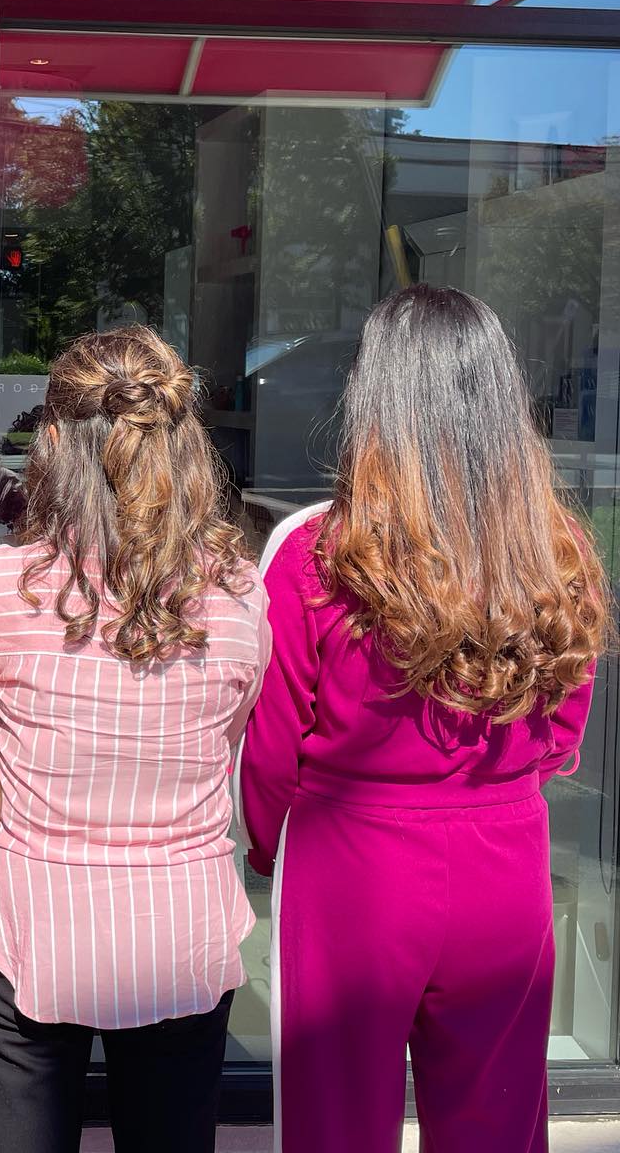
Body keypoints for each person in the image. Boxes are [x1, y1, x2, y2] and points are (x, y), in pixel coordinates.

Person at [240, 285, 608, 1153]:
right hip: (504, 858)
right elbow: (565, 722)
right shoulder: (557, 549)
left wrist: (266, 849)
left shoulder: (314, 550)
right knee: (496, 1124)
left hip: (352, 872)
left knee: (335, 1128)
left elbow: (272, 746)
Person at [0, 326, 267, 1153]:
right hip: (180, 930)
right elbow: (231, 740)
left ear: (52, 445)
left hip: (30, 928)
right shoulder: (240, 594)